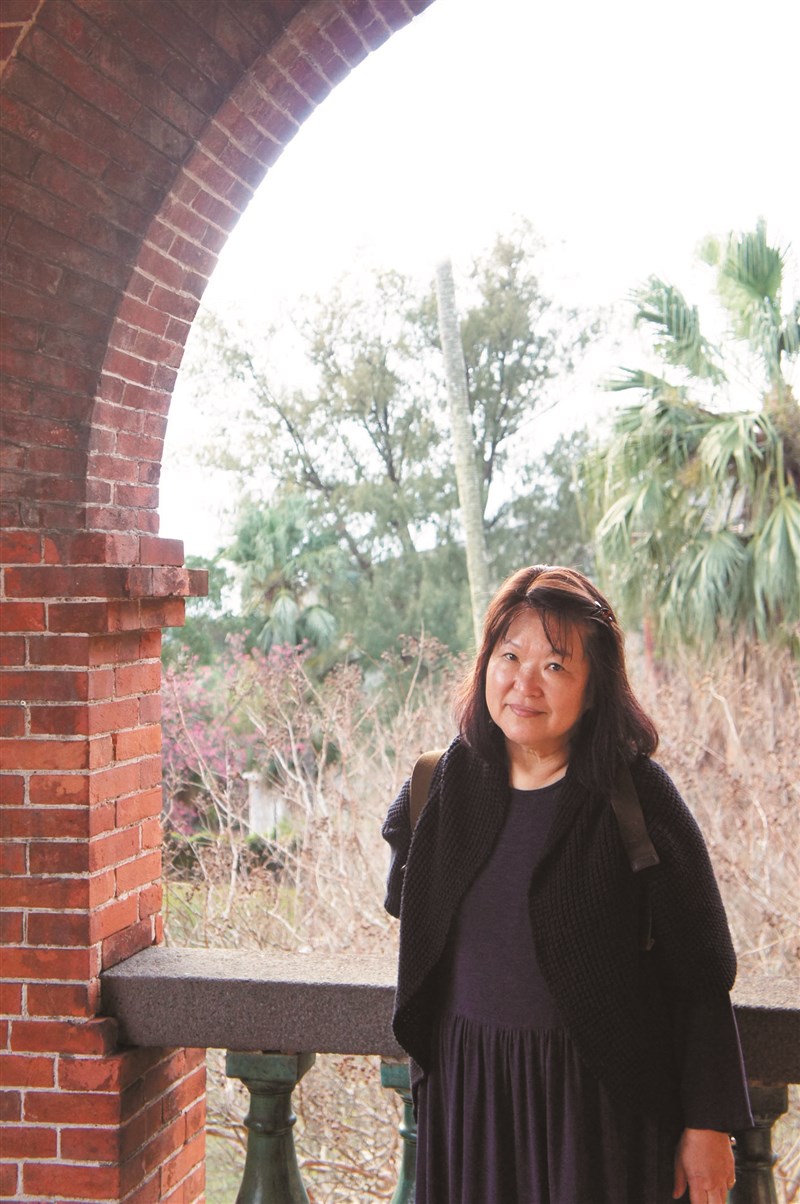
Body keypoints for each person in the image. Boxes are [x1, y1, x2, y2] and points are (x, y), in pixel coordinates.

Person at [382, 565, 752, 1204]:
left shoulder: (637, 797)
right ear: (485, 664)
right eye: (510, 657)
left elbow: (700, 972)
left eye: (555, 665)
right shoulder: (440, 786)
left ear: (595, 687)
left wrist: (707, 1123)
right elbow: (413, 916)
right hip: (470, 1102)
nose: (524, 683)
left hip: (597, 1110)